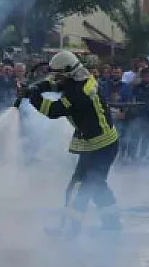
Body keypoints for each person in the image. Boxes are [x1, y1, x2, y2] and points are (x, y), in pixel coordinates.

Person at [19, 50, 122, 239]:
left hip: (98, 146)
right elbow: (56, 83)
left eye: (59, 74)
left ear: (68, 72)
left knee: (78, 189)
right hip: (102, 143)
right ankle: (112, 225)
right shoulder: (80, 78)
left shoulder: (78, 92)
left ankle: (68, 233)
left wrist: (33, 96)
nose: (56, 78)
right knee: (97, 186)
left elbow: (53, 110)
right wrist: (38, 87)